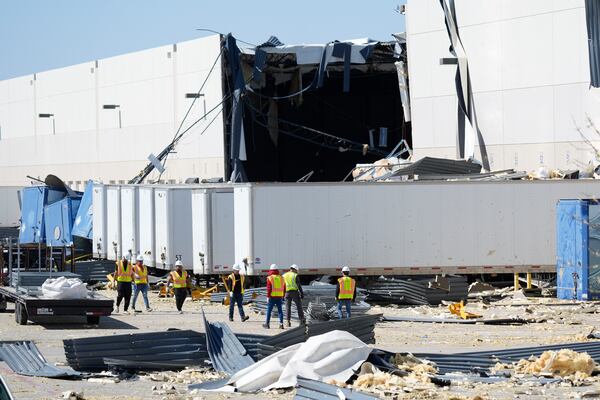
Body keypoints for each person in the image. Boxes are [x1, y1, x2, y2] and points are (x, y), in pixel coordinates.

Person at [263, 264, 285, 329]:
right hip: (279, 297)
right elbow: (284, 288)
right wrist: (283, 296)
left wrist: (268, 296)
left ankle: (267, 324)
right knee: (280, 311)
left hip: (272, 297)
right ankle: (281, 324)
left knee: (269, 311)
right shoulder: (281, 278)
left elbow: (269, 288)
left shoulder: (270, 278)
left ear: (271, 270)